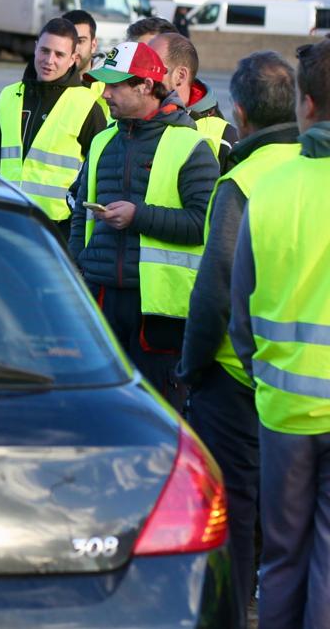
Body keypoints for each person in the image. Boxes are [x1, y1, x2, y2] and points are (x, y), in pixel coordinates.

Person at [179, 50, 300, 618]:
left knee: (237, 504)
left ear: (241, 114)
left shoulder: (241, 180)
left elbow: (214, 290)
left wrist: (191, 365)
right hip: (299, 377)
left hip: (234, 374)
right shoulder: (309, 169)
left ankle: (233, 612)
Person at [231, 40, 330, 629]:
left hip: (282, 410)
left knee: (284, 557)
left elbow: (239, 317)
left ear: (307, 105)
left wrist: (265, 372)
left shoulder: (267, 186)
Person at [69, 40, 218, 400]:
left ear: (146, 86)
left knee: (159, 411)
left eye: (115, 86)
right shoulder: (103, 141)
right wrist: (77, 269)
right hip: (102, 299)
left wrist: (139, 216)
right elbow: (79, 216)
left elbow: (205, 224)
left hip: (159, 313)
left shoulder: (190, 146)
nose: (104, 95)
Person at [0, 16, 107, 243]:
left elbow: (102, 171)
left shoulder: (86, 105)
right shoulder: (9, 95)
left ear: (73, 59)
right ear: (35, 47)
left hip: (59, 229)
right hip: (11, 218)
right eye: (45, 51)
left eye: (59, 55)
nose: (49, 60)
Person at [148, 31, 238, 171]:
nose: (142, 76)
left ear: (180, 76)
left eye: (151, 68)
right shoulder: (128, 121)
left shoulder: (225, 137)